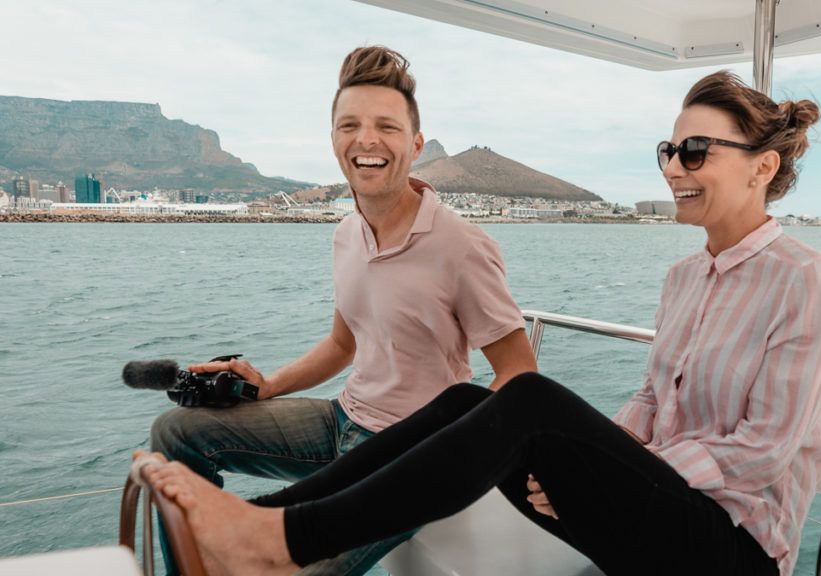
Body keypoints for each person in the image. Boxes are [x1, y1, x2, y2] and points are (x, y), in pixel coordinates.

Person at [136, 70, 821, 576]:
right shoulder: (684, 278)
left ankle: (278, 539)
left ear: (762, 168)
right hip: (649, 509)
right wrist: (592, 469)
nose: (673, 167)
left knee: (531, 401)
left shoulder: (807, 280)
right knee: (469, 401)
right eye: (668, 150)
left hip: (730, 547)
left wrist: (601, 472)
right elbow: (647, 404)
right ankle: (272, 517)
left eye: (694, 151)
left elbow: (760, 454)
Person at [147, 45, 537, 576]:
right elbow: (342, 344)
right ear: (333, 141)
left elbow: (518, 372)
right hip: (341, 419)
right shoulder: (346, 233)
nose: (367, 140)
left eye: (387, 127)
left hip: (406, 452)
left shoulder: (462, 246)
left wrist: (449, 450)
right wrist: (267, 385)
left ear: (416, 145)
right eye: (349, 125)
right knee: (177, 432)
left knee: (295, 567)